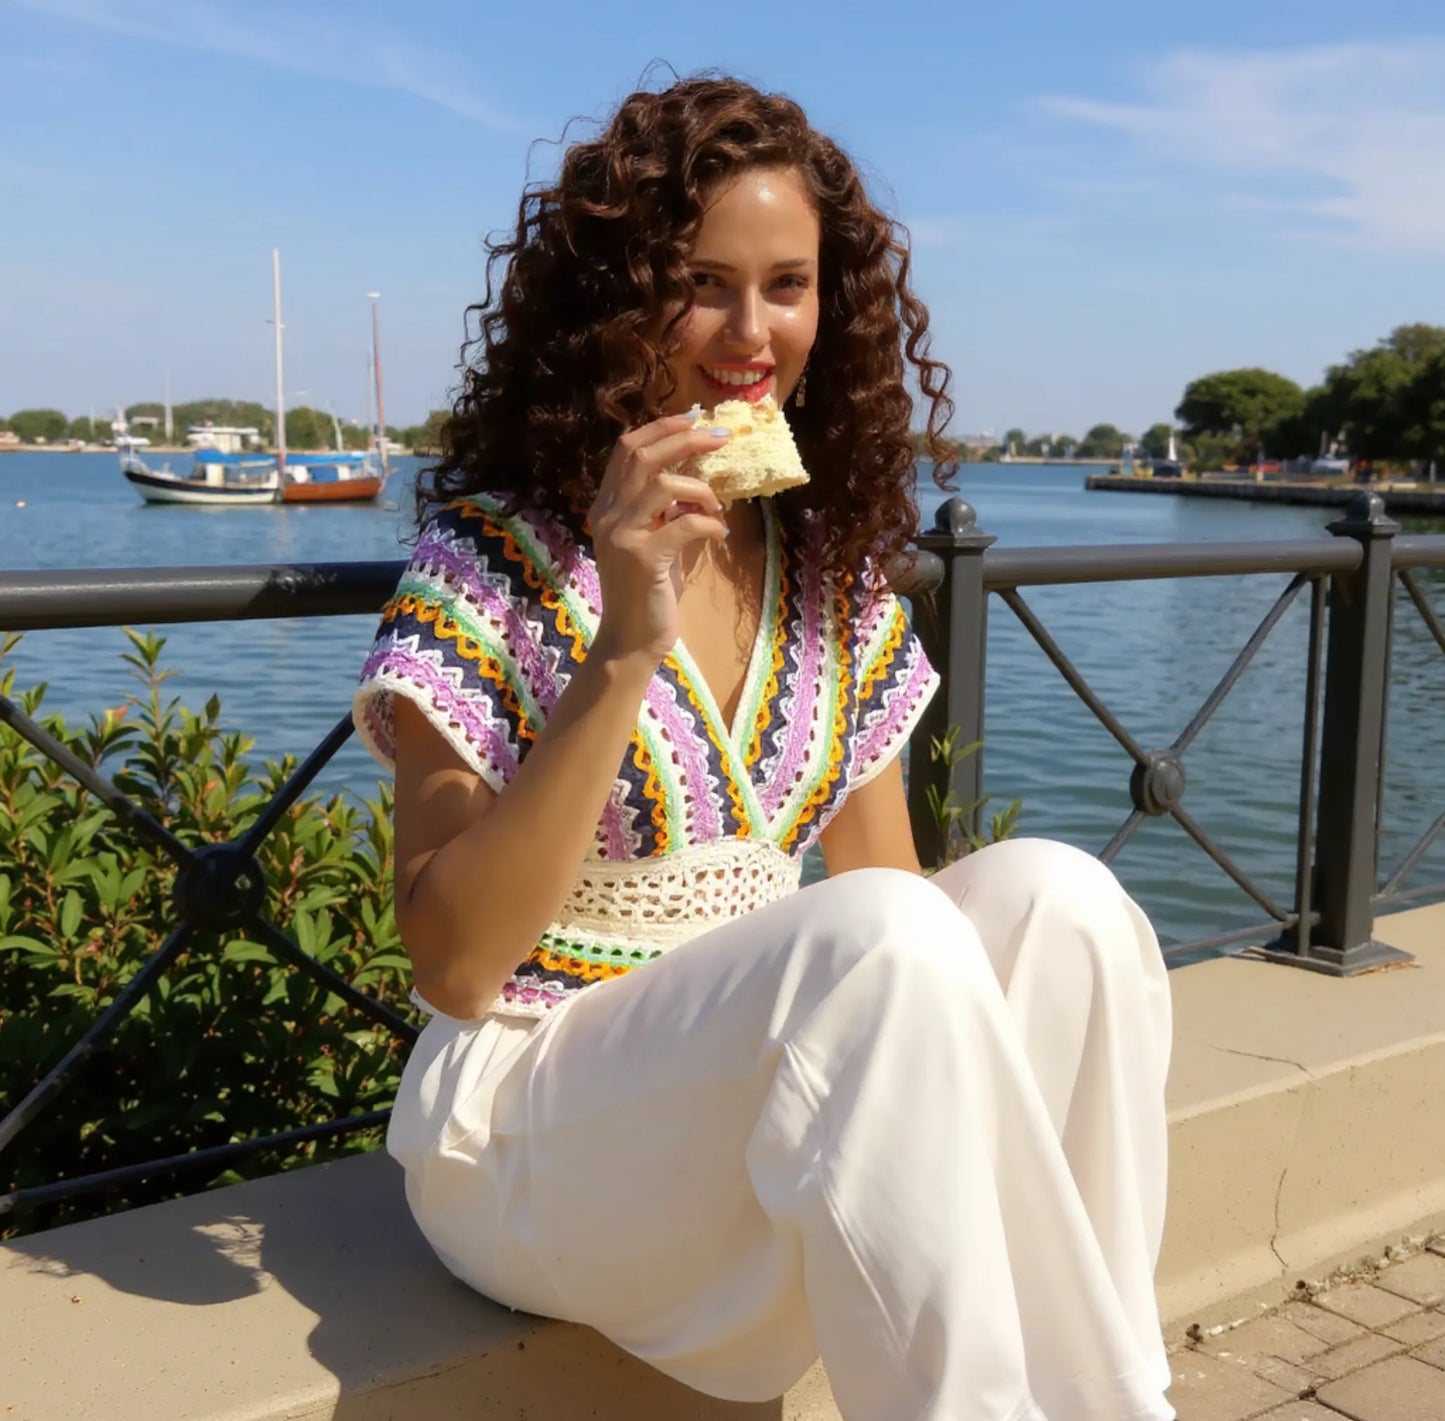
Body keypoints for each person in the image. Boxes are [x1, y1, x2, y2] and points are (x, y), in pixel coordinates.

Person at [354, 74, 1175, 1421]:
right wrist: (623, 641)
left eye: (785, 285)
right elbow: (449, 961)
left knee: (1060, 901)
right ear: (619, 301)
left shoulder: (829, 572)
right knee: (879, 942)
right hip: (528, 1128)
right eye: (702, 284)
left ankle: (1101, 1395)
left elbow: (892, 898)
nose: (750, 334)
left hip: (753, 1117)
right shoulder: (493, 559)